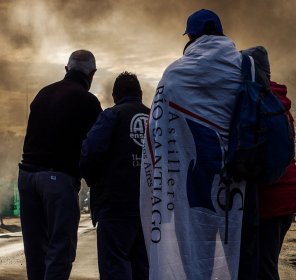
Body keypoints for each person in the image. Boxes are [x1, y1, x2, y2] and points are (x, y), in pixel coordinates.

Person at [139, 9, 245, 280]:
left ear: (192, 37)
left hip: (191, 185)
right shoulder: (243, 66)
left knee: (195, 254)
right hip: (237, 181)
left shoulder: (175, 74)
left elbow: (156, 133)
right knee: (238, 253)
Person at [18, 50, 102, 280]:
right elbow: (95, 147)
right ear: (92, 74)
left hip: (27, 176)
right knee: (60, 249)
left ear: (67, 69)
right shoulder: (88, 101)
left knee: (35, 250)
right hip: (57, 179)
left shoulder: (43, 93)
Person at [80, 71, 150, 280]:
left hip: (116, 205)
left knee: (115, 266)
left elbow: (89, 154)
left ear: (114, 96)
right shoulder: (155, 118)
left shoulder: (112, 115)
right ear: (140, 93)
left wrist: (93, 181)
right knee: (143, 268)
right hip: (149, 209)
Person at [241, 46, 296, 280]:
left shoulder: (253, 100)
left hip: (267, 198)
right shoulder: (280, 103)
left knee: (261, 268)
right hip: (288, 194)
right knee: (268, 262)